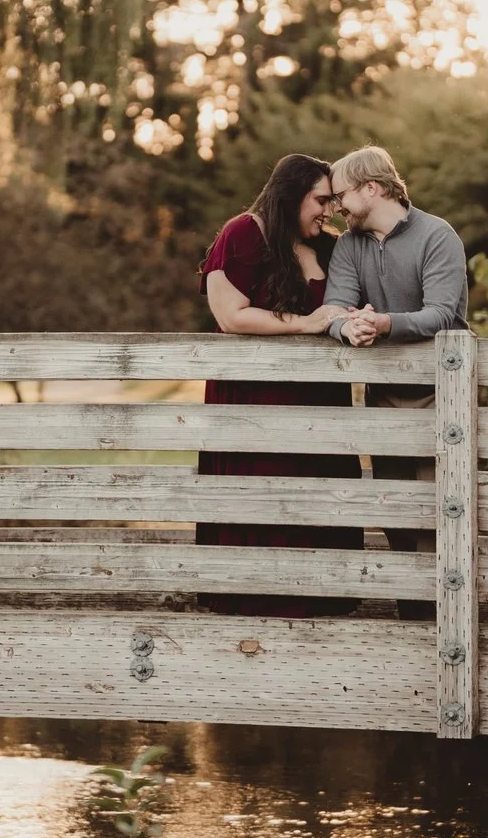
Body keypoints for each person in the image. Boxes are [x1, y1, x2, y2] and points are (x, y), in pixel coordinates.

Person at [194, 153, 364, 615]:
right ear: (291, 195)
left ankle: (320, 595)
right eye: (320, 200)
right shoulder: (243, 233)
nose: (328, 211)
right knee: (259, 486)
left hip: (320, 398)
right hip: (253, 395)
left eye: (332, 202)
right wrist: (306, 324)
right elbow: (230, 316)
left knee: (317, 486)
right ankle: (250, 592)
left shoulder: (331, 247)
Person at [321, 145, 468, 620]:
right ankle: (413, 617)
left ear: (372, 187)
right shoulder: (349, 245)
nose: (336, 205)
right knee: (393, 509)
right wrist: (347, 327)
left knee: (441, 512)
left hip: (441, 398)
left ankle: (448, 617)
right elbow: (336, 306)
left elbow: (443, 314)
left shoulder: (437, 235)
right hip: (383, 398)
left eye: (341, 194)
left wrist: (383, 324)